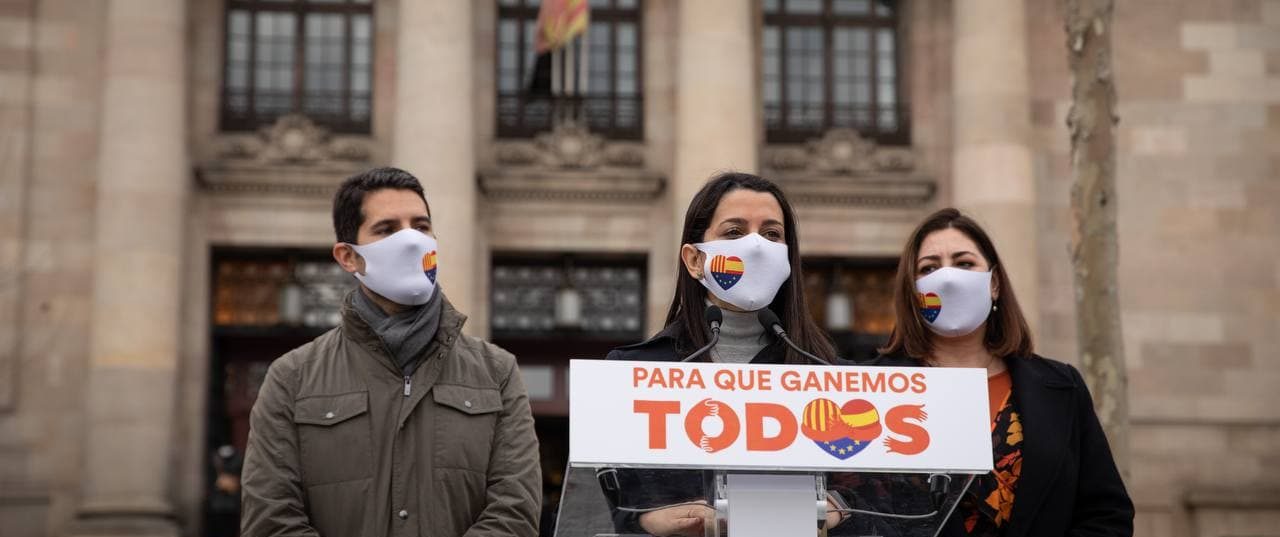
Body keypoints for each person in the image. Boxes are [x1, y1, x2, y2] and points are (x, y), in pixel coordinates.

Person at [241, 167, 542, 537]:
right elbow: (271, 519)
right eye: (387, 229)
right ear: (348, 257)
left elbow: (515, 512)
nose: (411, 241)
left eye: (421, 225)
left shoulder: (497, 372)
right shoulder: (293, 376)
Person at [867, 208, 1133, 536]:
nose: (948, 278)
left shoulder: (1062, 387)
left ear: (993, 283)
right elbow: (854, 506)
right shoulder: (872, 390)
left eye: (964, 263)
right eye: (929, 268)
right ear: (912, 291)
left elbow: (1106, 513)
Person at [602, 172, 843, 536]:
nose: (757, 246)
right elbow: (604, 498)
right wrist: (644, 520)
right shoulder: (632, 373)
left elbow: (873, 491)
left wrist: (841, 508)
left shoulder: (833, 376)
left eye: (772, 234)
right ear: (695, 259)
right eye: (734, 232)